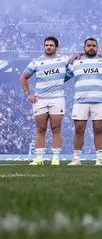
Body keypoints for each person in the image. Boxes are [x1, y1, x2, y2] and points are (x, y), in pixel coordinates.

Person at [20, 36, 71, 166]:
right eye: (46, 45)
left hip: (57, 99)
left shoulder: (63, 59)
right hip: (40, 100)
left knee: (56, 128)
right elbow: (23, 77)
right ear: (44, 47)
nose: (48, 47)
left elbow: (77, 61)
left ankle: (55, 158)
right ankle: (39, 159)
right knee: (40, 128)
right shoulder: (36, 62)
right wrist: (28, 94)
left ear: (56, 47)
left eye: (51, 45)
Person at [67, 38, 102, 166]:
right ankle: (76, 159)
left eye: (94, 45)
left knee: (98, 129)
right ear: (84, 48)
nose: (91, 48)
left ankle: (99, 159)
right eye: (89, 45)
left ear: (97, 48)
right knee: (79, 129)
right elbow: (64, 76)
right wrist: (71, 58)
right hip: (80, 101)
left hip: (99, 101)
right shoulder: (75, 62)